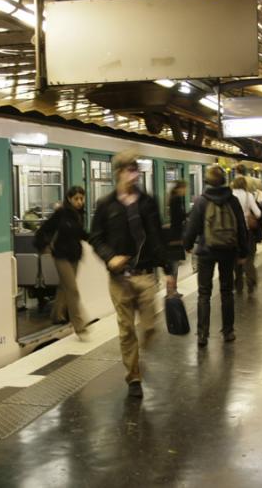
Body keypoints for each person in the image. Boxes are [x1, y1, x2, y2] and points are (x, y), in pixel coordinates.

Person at [89, 151, 175, 398]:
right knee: (126, 329)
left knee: (149, 327)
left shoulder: (148, 202)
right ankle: (133, 377)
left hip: (146, 275)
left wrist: (169, 270)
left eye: (136, 170)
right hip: (119, 278)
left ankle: (138, 356)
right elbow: (95, 236)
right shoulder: (106, 205)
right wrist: (109, 257)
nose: (134, 175)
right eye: (129, 170)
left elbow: (158, 237)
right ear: (118, 173)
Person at [183, 165, 248, 347]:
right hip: (228, 251)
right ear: (224, 181)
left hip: (206, 252)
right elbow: (241, 227)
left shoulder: (201, 201)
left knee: (204, 293)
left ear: (207, 181)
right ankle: (228, 332)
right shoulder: (232, 200)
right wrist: (243, 252)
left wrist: (187, 245)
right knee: (227, 292)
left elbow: (193, 226)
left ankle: (203, 334)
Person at [34, 186, 89, 335]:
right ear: (69, 199)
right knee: (72, 289)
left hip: (75, 255)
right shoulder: (61, 214)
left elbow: (80, 234)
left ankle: (56, 315)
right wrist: (43, 246)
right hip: (61, 255)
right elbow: (44, 229)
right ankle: (79, 325)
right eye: (76, 199)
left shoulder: (79, 214)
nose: (79, 202)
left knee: (64, 287)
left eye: (81, 198)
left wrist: (94, 239)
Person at [230, 176, 260, 295]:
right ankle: (250, 281)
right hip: (247, 232)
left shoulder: (230, 195)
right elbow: (258, 213)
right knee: (249, 258)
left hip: (233, 233)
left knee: (236, 259)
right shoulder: (249, 196)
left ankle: (238, 285)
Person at [167, 180, 188, 286]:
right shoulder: (177, 199)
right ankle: (172, 291)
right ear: (180, 188)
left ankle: (173, 290)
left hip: (175, 232)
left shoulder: (173, 198)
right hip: (176, 234)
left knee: (174, 264)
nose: (185, 191)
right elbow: (179, 216)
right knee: (174, 264)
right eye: (185, 188)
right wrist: (188, 215)